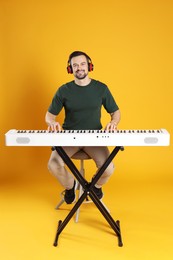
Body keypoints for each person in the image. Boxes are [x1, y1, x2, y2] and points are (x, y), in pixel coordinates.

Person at [45, 51, 121, 204]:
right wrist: (51, 123)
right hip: (69, 137)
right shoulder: (63, 90)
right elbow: (49, 115)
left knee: (108, 168)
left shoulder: (101, 88)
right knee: (53, 164)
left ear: (89, 66)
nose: (79, 68)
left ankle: (95, 186)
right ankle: (70, 186)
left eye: (82, 64)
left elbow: (116, 112)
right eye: (75, 65)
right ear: (70, 69)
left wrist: (114, 122)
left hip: (94, 138)